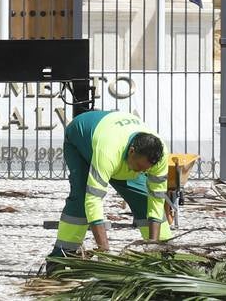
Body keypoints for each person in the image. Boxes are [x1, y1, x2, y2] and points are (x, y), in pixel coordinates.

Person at [49, 109, 172, 265]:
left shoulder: (158, 155)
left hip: (117, 146)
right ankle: (61, 256)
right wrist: (105, 253)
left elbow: (157, 200)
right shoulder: (108, 152)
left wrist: (154, 246)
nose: (142, 172)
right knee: (81, 198)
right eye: (140, 167)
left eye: (146, 169)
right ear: (132, 152)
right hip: (81, 142)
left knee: (144, 200)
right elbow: (93, 200)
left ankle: (165, 255)